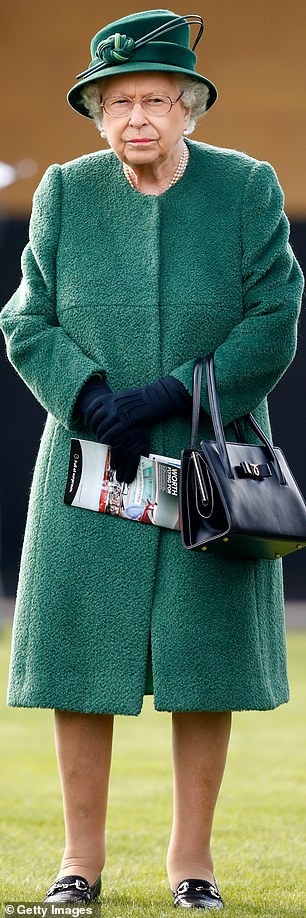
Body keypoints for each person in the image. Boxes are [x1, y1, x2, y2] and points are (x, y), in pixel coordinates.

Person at [0, 8, 304, 912]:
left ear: (190, 109)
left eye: (156, 100)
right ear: (98, 115)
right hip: (91, 460)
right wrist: (87, 395)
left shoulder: (248, 186)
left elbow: (275, 318)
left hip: (208, 458)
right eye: (119, 101)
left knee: (202, 663)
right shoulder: (63, 190)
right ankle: (77, 865)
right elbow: (26, 317)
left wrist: (171, 393)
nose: (138, 116)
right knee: (78, 662)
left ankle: (192, 866)